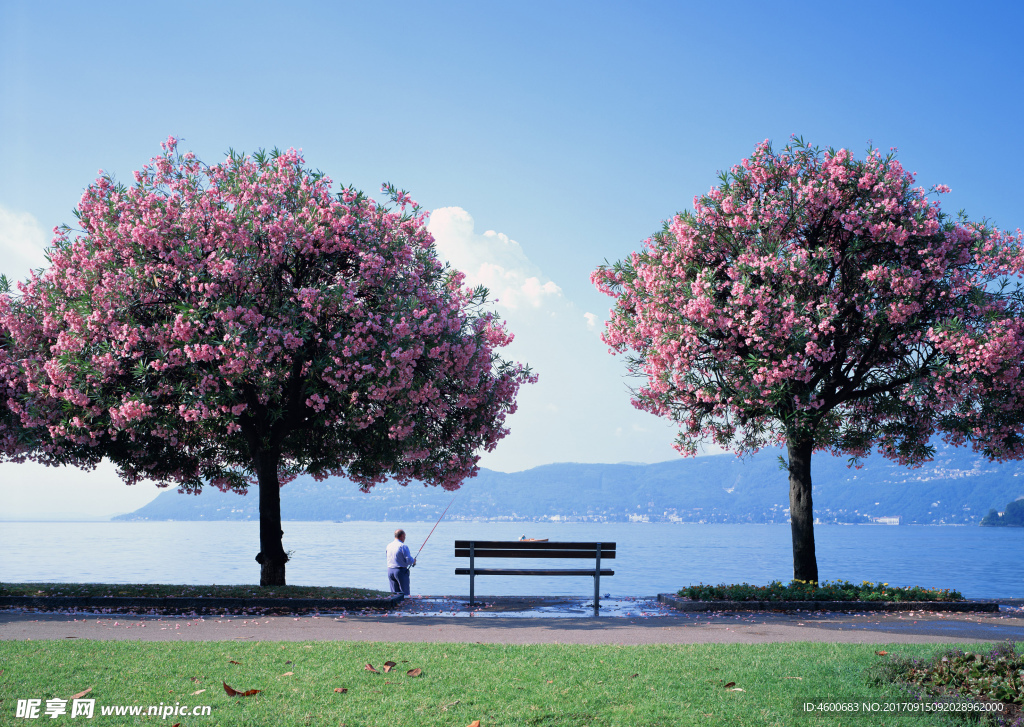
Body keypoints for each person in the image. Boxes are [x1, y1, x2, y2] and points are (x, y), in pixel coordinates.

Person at [386, 528, 416, 596]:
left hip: (390, 570)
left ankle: (395, 606)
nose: (405, 538)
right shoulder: (403, 546)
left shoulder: (389, 545)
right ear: (402, 536)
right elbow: (409, 560)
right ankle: (405, 606)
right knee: (405, 594)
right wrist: (413, 561)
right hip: (400, 571)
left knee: (394, 594)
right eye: (405, 537)